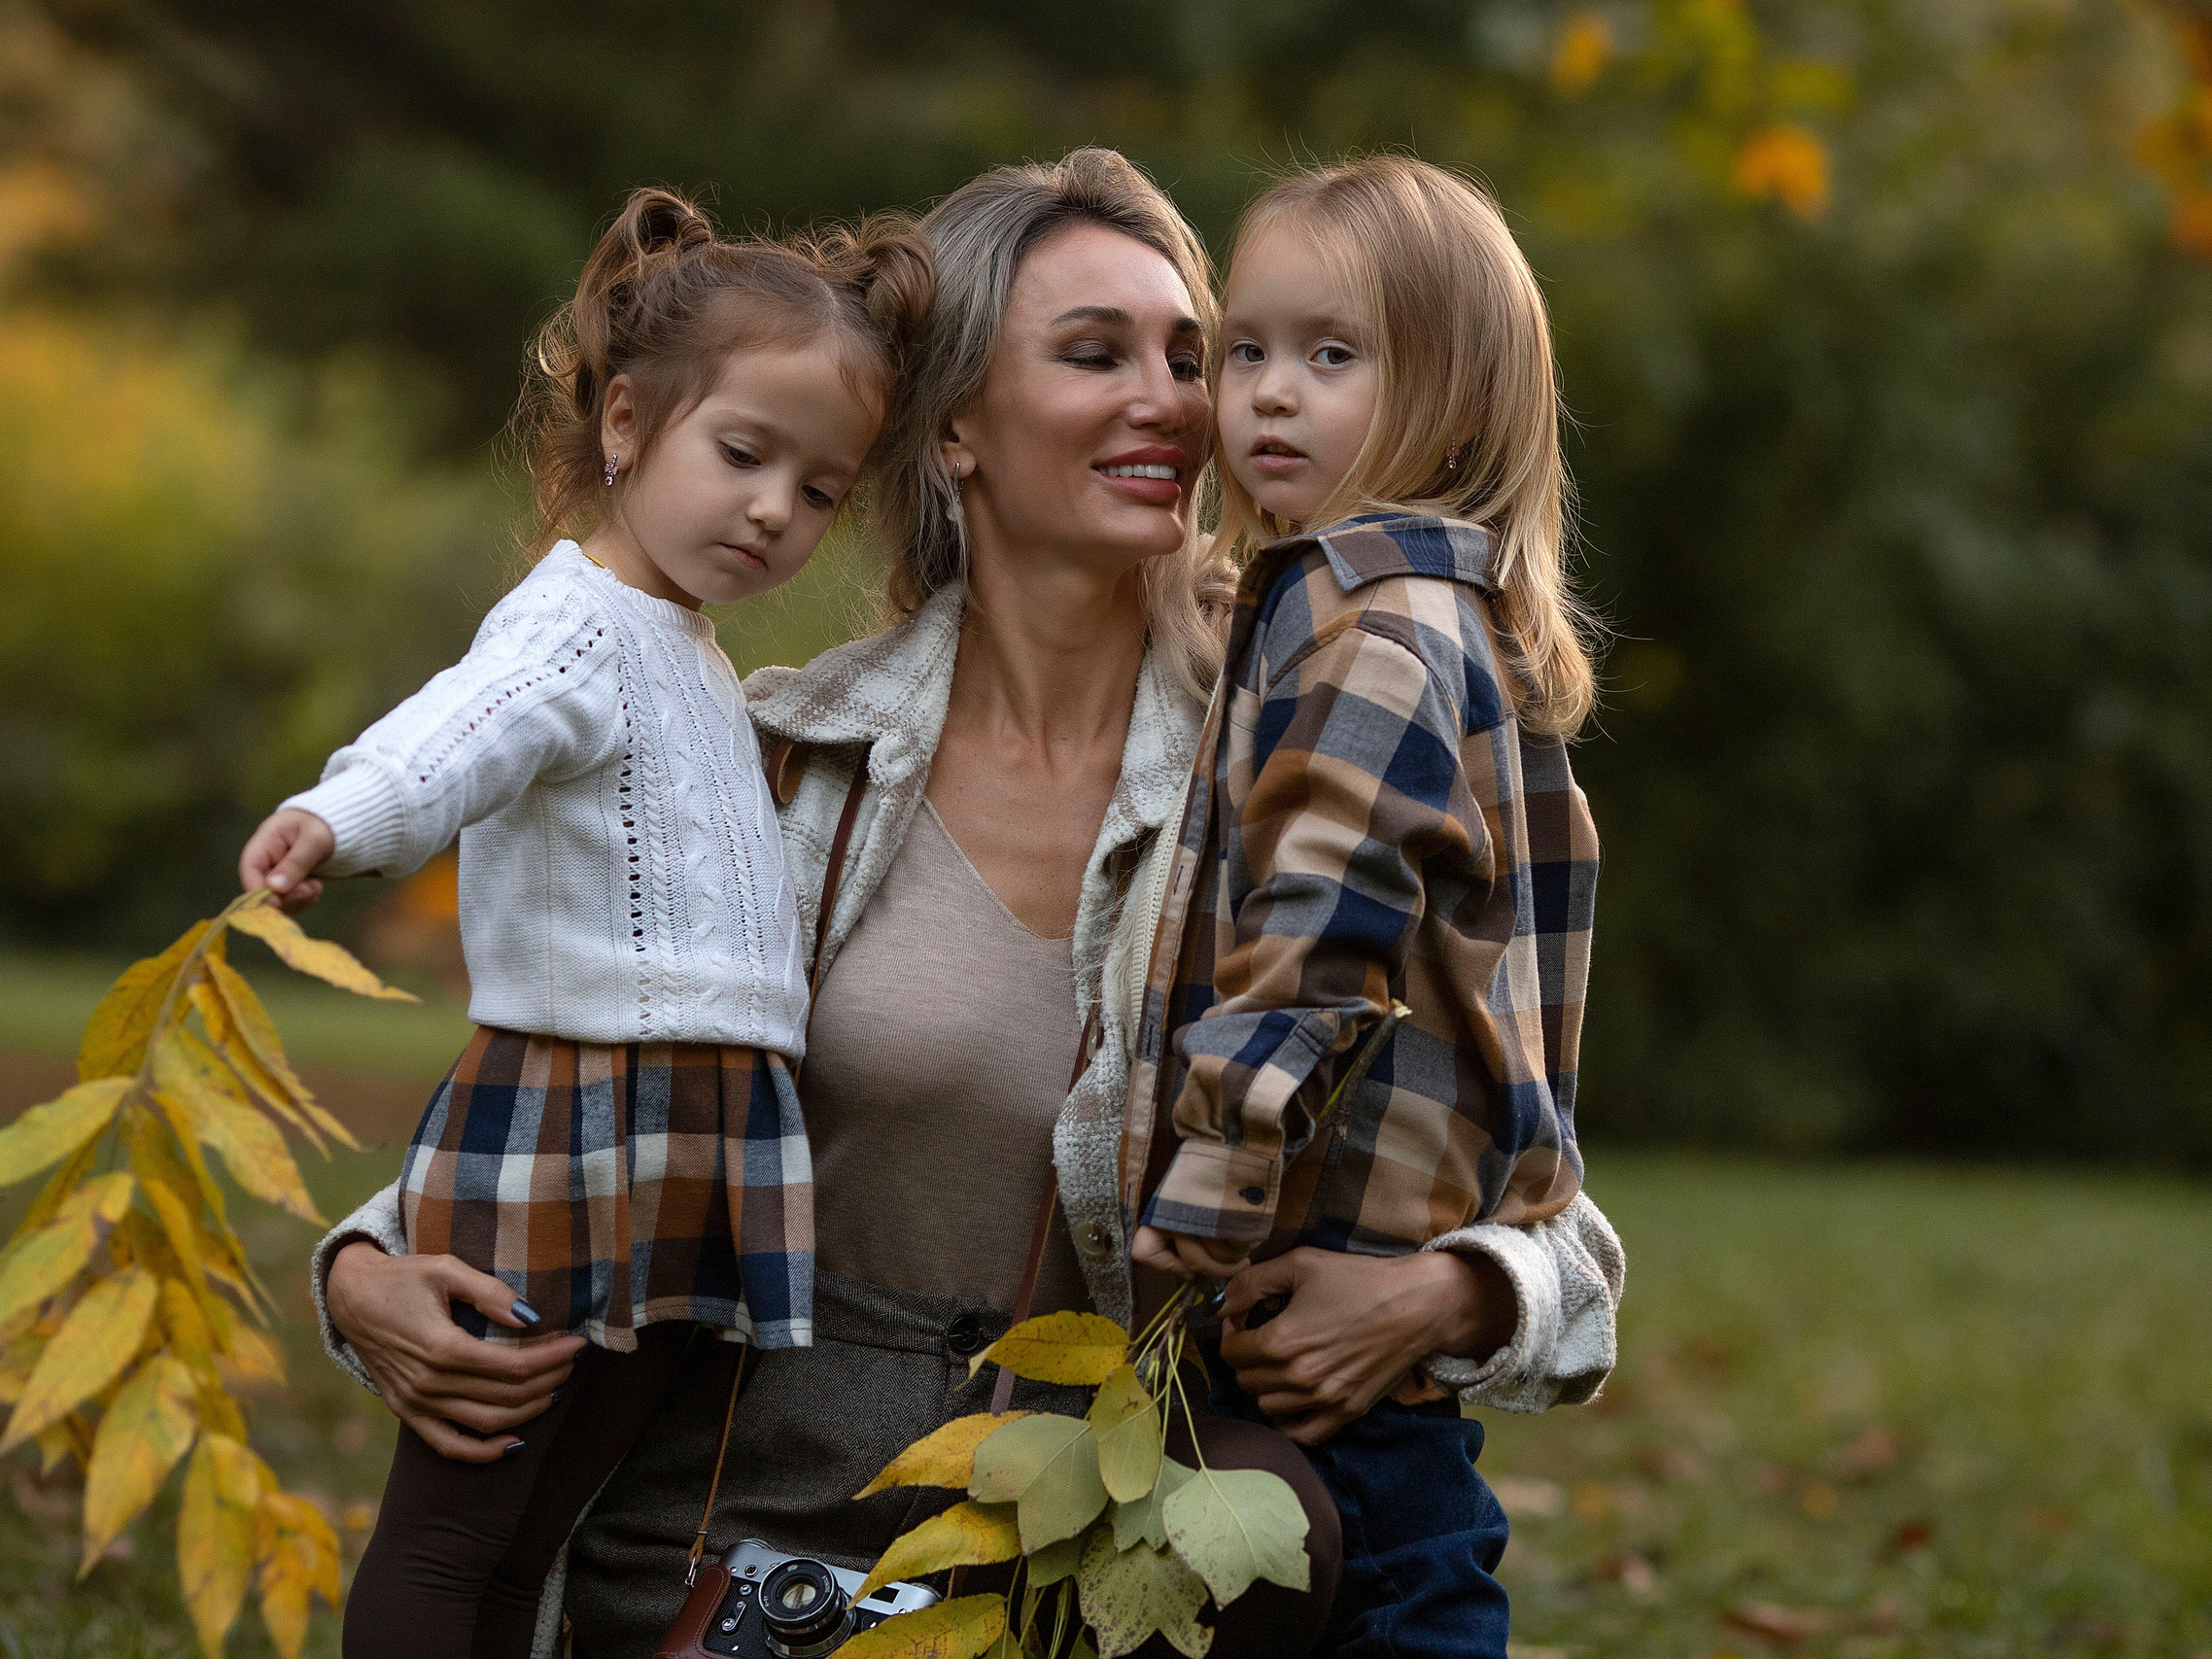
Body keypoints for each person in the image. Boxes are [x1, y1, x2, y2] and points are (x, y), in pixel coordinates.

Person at [311, 149, 1623, 1659]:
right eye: (1094, 355)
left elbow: (1545, 1201)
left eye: (1195, 356)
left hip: (1054, 1523)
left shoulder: (1325, 741)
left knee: (1279, 1544)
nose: (1182, 400)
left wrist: (1455, 1297)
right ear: (951, 431)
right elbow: (579, 1082)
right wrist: (364, 1272)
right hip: (734, 1513)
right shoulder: (780, 764)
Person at [235, 188, 934, 1658]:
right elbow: (453, 735)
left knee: (544, 1526)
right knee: (465, 1513)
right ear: (628, 425)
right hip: (576, 1116)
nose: (773, 511)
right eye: (743, 455)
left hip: (689, 1125)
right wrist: (341, 819)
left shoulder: (682, 642)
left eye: (819, 491)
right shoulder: (577, 627)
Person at [1126, 154, 1617, 1659]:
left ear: (1457, 394)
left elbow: (1314, 951)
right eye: (1248, 353)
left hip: (1301, 1293)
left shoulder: (1372, 634)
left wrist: (1191, 1226)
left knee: (1399, 1595)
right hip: (1361, 1330)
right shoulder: (1382, 615)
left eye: (1332, 358)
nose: (1268, 396)